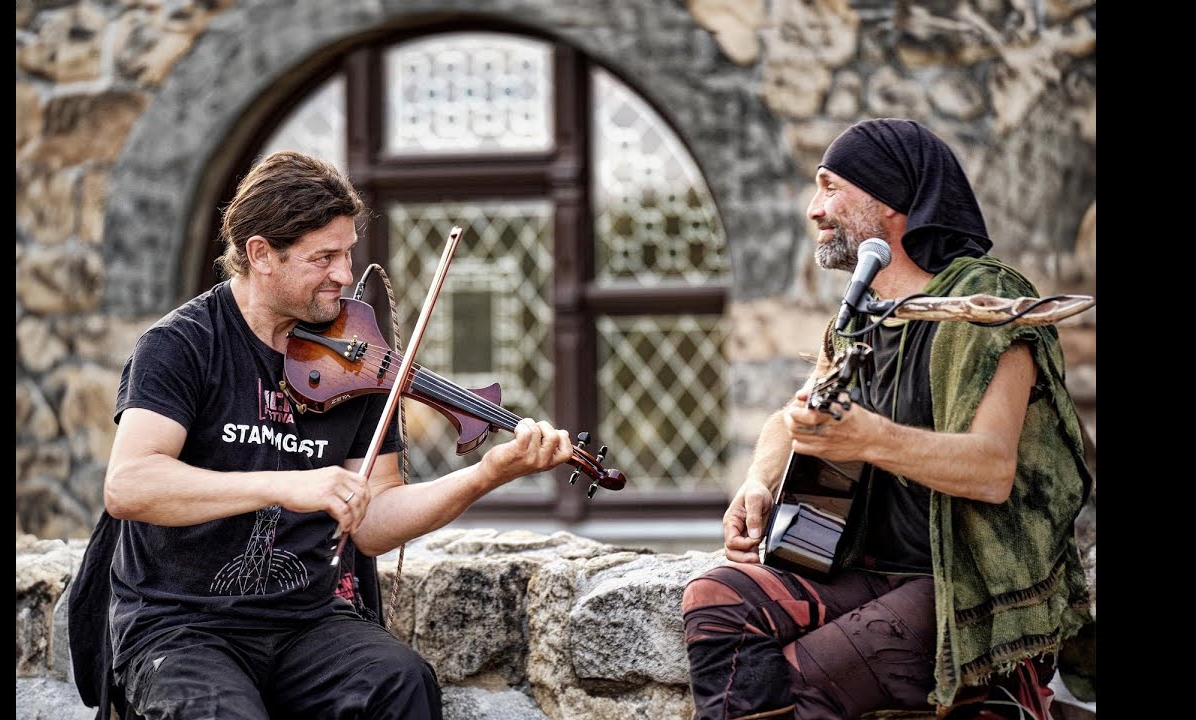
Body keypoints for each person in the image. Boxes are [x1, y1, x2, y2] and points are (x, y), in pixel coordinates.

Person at [70, 150, 575, 720]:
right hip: (183, 625)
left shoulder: (359, 354)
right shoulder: (182, 345)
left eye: (348, 253)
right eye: (324, 257)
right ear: (261, 253)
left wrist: (488, 474)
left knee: (401, 683)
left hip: (305, 619)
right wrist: (285, 487)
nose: (343, 273)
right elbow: (131, 485)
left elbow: (376, 523)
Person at [680, 119, 1094, 720]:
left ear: (890, 200)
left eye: (830, 188)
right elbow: (796, 419)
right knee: (714, 597)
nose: (814, 209)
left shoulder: (991, 306)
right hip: (860, 569)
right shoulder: (862, 313)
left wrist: (869, 437)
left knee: (805, 679)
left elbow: (990, 469)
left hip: (967, 587)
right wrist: (758, 483)